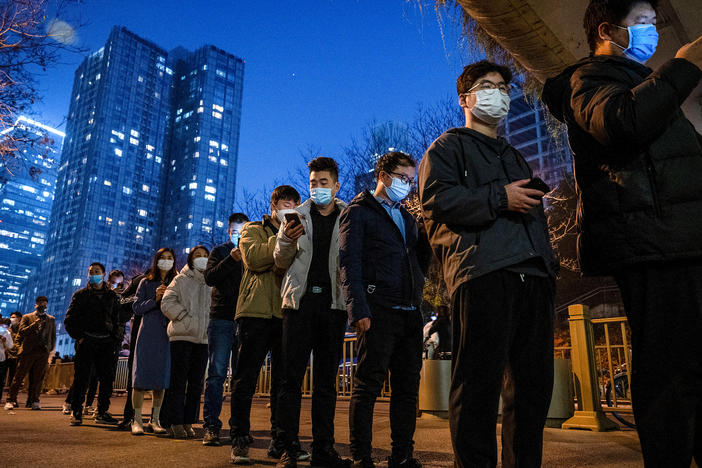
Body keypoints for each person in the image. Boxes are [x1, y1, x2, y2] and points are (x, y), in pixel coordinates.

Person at [541, 1, 702, 465]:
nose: (653, 32)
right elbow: (619, 124)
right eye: (642, 23)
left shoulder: (642, 86)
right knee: (671, 370)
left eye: (655, 22)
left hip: (679, 238)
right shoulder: (589, 80)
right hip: (653, 241)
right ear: (608, 30)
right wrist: (683, 67)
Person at [418, 59, 559, 468]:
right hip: (482, 274)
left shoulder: (515, 156)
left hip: (533, 275)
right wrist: (500, 197)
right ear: (465, 98)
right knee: (478, 388)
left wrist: (548, 266)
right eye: (487, 85)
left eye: (503, 86)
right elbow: (437, 202)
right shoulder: (446, 147)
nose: (499, 93)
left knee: (532, 393)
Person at [339, 151, 431, 468]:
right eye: (402, 178)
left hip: (409, 311)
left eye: (410, 179)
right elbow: (349, 263)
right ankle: (361, 456)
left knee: (407, 389)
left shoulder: (407, 217)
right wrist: (358, 308)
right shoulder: (358, 211)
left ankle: (402, 454)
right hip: (378, 309)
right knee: (367, 386)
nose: (407, 185)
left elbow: (418, 261)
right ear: (383, 175)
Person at [274, 157, 351, 468]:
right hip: (299, 304)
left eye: (323, 183)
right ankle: (288, 448)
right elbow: (280, 262)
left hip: (333, 306)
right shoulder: (296, 217)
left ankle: (324, 449)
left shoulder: (349, 216)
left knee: (325, 384)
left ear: (336, 185)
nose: (317, 188)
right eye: (312, 183)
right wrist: (285, 239)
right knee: (290, 380)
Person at [229, 185, 303, 465]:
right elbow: (255, 258)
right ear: (273, 207)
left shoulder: (301, 231)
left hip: (285, 313)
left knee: (283, 382)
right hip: (254, 312)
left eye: (293, 205)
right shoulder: (252, 229)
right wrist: (284, 239)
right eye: (283, 204)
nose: (287, 210)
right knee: (245, 379)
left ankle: (280, 441)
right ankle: (239, 439)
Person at [202, 212, 249, 446]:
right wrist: (231, 259)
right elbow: (209, 278)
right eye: (234, 230)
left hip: (246, 319)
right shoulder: (219, 251)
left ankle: (239, 428)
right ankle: (211, 425)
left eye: (243, 230)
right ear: (228, 231)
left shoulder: (253, 250)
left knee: (242, 378)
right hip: (221, 319)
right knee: (217, 375)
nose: (238, 234)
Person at [63, 262, 127, 426]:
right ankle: (77, 411)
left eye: (97, 271)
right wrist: (80, 337)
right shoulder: (81, 295)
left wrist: (114, 339)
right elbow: (70, 320)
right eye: (91, 272)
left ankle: (102, 411)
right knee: (81, 379)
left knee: (107, 379)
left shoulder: (112, 297)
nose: (93, 274)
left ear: (104, 274)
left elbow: (118, 319)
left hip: (106, 343)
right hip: (87, 341)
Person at [160, 245, 212, 439]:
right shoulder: (180, 279)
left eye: (206, 256)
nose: (202, 259)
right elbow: (167, 302)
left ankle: (189, 421)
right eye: (198, 256)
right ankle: (175, 421)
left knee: (197, 384)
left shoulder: (211, 281)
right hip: (181, 337)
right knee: (178, 382)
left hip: (203, 339)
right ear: (190, 259)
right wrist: (182, 316)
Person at [131, 248, 178, 436]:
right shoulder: (146, 282)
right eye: (163, 258)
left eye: (170, 258)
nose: (166, 261)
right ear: (156, 261)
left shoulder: (177, 282)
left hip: (167, 334)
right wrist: (155, 299)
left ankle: (155, 419)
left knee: (161, 377)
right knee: (140, 378)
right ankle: (136, 420)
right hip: (148, 333)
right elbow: (136, 307)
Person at [81, 269, 127, 417]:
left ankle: (101, 410)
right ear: (108, 280)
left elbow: (123, 317)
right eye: (114, 282)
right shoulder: (103, 295)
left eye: (120, 284)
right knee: (91, 375)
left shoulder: (122, 297)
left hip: (114, 339)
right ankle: (83, 405)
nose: (116, 286)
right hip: (98, 337)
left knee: (108, 376)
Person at [4, 297, 56, 411]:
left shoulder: (51, 319)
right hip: (28, 352)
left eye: (45, 304)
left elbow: (53, 336)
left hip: (42, 352)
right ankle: (10, 400)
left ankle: (34, 400)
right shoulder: (27, 317)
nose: (43, 305)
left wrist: (49, 350)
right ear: (36, 305)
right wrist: (35, 324)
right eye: (40, 303)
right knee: (18, 377)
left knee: (37, 379)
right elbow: (22, 332)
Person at [115, 270, 147, 430]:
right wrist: (139, 299)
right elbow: (123, 302)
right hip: (140, 333)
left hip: (164, 333)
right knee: (134, 377)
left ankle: (160, 418)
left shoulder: (174, 279)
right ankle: (130, 416)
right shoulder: (140, 280)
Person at [0, 312, 21, 403]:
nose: (12, 319)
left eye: (14, 317)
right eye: (11, 317)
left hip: (15, 356)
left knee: (13, 379)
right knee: (2, 378)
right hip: (5, 356)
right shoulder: (7, 329)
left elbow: (12, 344)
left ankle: (11, 398)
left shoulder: (21, 329)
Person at [0, 320, 14, 402]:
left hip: (1, 358)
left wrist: (5, 340)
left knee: (1, 380)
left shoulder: (6, 333)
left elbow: (10, 346)